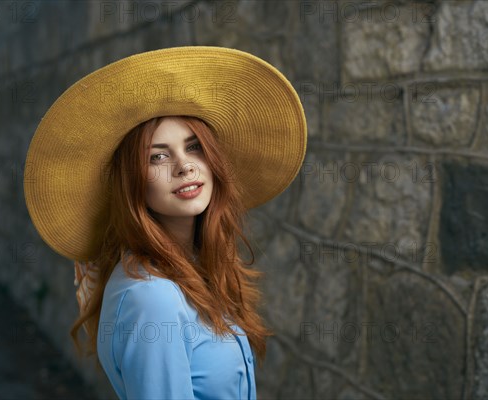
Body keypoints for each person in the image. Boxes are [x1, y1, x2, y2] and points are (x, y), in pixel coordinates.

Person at [24, 46, 307, 399]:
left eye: (194, 147)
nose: (184, 166)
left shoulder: (193, 268)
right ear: (131, 180)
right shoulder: (151, 298)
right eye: (158, 155)